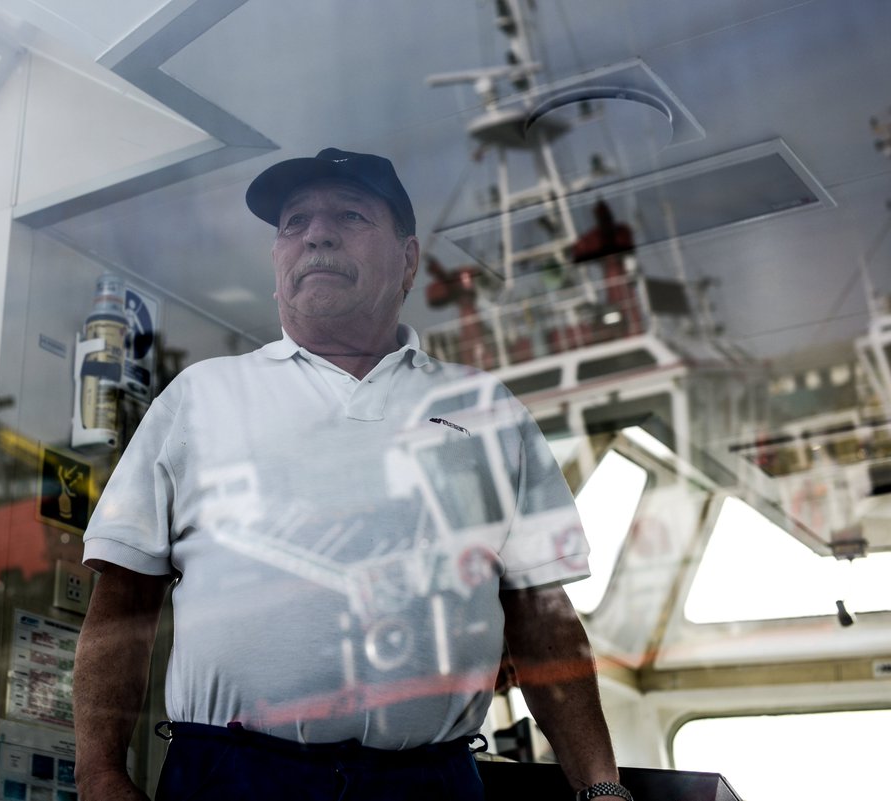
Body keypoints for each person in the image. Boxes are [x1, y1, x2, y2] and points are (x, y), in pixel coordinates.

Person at [73, 148, 631, 801]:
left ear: (408, 260)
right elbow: (123, 599)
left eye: (350, 215)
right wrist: (99, 774)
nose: (317, 234)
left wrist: (602, 789)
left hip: (428, 784)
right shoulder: (198, 398)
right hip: (232, 777)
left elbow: (542, 617)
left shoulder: (486, 410)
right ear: (277, 264)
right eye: (295, 221)